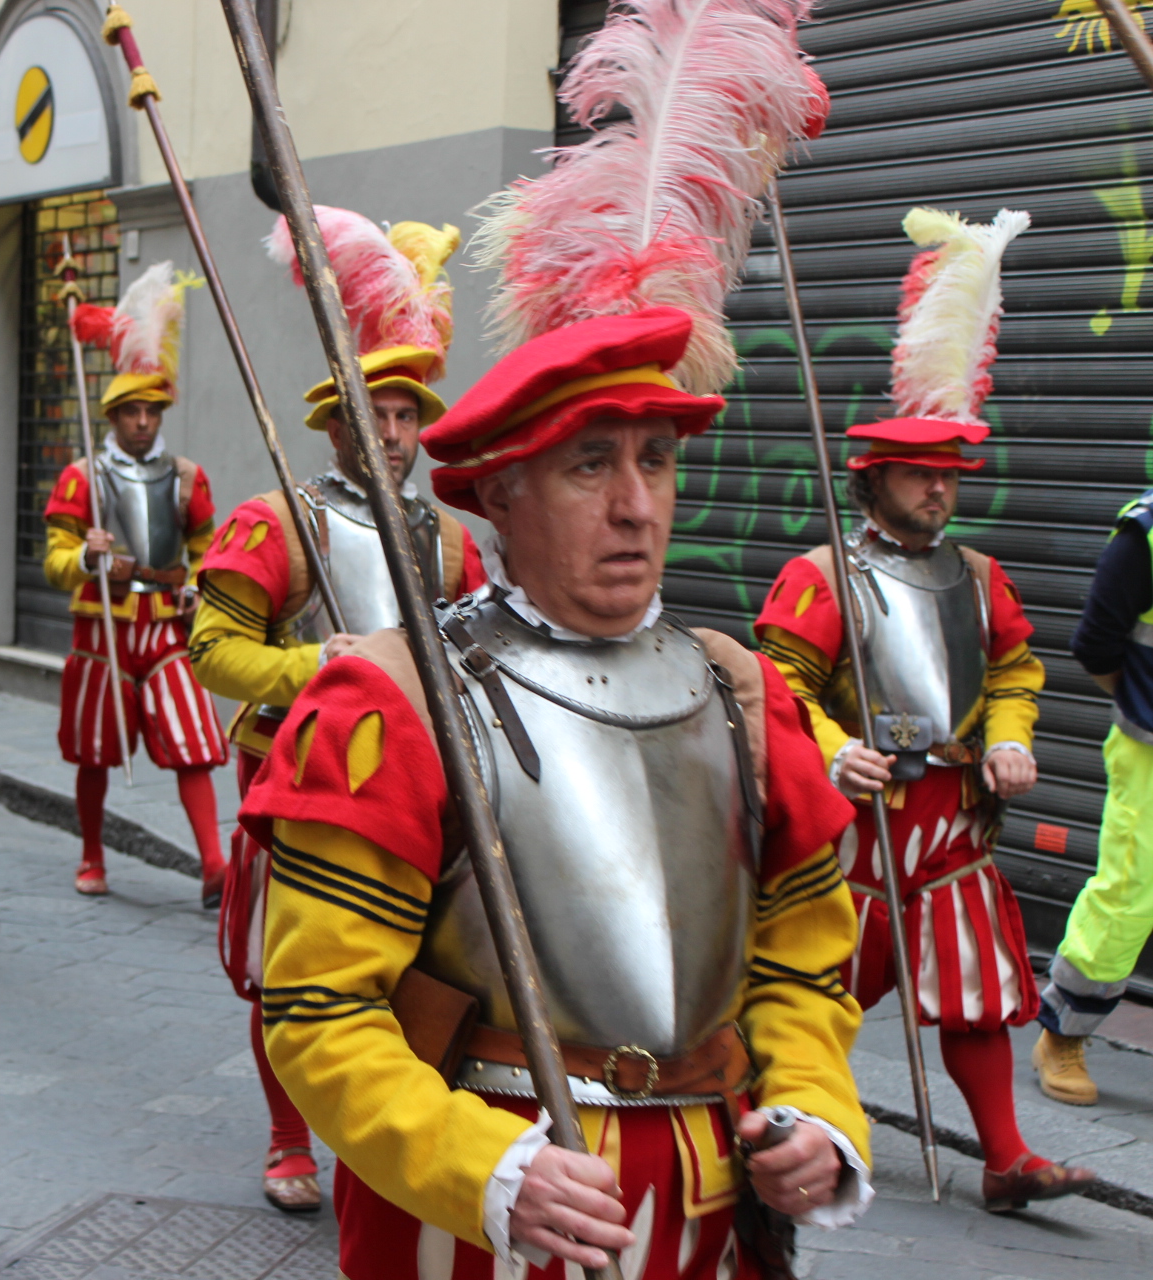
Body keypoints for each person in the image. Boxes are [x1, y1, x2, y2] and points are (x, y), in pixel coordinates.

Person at [244, 303, 874, 1278]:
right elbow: (320, 1009)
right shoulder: (397, 700)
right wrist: (482, 1166)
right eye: (591, 465)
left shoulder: (744, 694)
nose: (637, 505)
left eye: (656, 460)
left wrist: (816, 1111)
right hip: (485, 1218)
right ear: (502, 492)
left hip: (710, 1208)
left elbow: (804, 964)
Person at [756, 208, 1093, 1211]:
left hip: (950, 826)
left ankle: (1006, 1156)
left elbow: (1018, 670)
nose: (939, 490)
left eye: (949, 474)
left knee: (977, 993)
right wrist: (831, 748)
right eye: (920, 473)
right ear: (874, 478)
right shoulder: (820, 577)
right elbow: (776, 687)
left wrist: (1011, 739)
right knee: (816, 989)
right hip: (853, 825)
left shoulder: (981, 576)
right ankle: (775, 1123)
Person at [189, 208, 485, 1214]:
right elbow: (214, 652)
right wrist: (319, 660)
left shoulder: (453, 539)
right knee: (295, 968)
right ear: (334, 423)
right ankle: (287, 1140)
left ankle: (387, 1133)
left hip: (423, 780)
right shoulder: (275, 521)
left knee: (417, 963)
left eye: (407, 416)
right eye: (374, 414)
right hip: (299, 769)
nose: (393, 435)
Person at [45, 261, 229, 901]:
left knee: (192, 739)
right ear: (113, 416)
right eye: (132, 411)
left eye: (152, 410)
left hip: (168, 625)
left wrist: (199, 583)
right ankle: (92, 855)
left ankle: (213, 863)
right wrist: (85, 555)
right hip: (104, 626)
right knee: (95, 747)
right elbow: (54, 559)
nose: (144, 421)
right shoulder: (82, 477)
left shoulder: (187, 476)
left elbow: (207, 547)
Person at [1034, 487, 1153, 1104]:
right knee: (1128, 898)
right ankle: (1064, 1031)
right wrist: (1140, 700)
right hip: (1150, 749)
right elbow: (1095, 644)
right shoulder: (1146, 533)